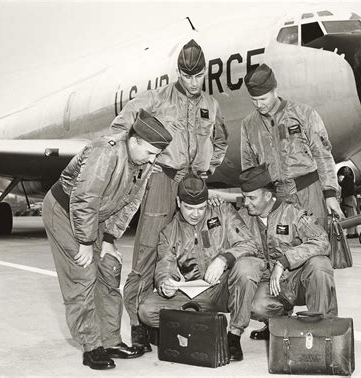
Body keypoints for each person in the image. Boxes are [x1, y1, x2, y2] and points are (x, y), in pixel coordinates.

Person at [110, 39, 228, 352]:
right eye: (187, 76)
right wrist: (132, 163)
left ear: (204, 72)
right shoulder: (157, 99)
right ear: (178, 72)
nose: (193, 82)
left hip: (193, 186)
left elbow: (220, 142)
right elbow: (122, 125)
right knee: (148, 249)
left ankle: (169, 315)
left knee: (190, 252)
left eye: (198, 75)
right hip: (163, 179)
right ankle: (138, 324)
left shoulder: (212, 106)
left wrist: (206, 170)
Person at [42, 110, 172, 370]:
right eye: (149, 152)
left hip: (98, 216)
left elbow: (131, 202)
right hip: (65, 210)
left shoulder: (144, 161)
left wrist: (110, 238)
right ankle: (91, 347)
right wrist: (86, 243)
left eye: (156, 155)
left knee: (110, 269)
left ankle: (111, 340)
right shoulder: (106, 152)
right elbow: (84, 199)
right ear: (134, 141)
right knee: (82, 275)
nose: (152, 160)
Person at [138, 173, 263, 361]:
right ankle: (203, 324)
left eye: (201, 208)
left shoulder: (223, 212)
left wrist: (223, 259)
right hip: (198, 293)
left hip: (228, 287)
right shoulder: (169, 232)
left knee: (248, 267)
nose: (196, 214)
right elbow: (164, 266)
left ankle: (234, 336)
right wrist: (166, 284)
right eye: (189, 208)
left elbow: (250, 244)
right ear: (179, 202)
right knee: (147, 310)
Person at [238, 164, 338, 340]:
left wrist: (284, 261)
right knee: (253, 306)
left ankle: (324, 329)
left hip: (299, 282)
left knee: (319, 265)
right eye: (244, 197)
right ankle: (278, 323)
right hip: (272, 286)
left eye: (252, 198)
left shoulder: (293, 213)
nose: (246, 203)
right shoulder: (242, 218)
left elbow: (322, 241)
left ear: (268, 196)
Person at [241, 63, 343, 230]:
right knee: (283, 250)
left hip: (309, 193)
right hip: (277, 199)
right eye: (254, 100)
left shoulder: (304, 114)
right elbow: (249, 167)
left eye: (263, 99)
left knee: (318, 245)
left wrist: (330, 194)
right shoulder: (249, 125)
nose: (259, 105)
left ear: (275, 90)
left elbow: (323, 155)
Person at [339, 167, 358, 238]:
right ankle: (355, 232)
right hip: (352, 198)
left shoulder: (347, 180)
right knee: (354, 215)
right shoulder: (350, 179)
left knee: (351, 216)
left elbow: (347, 190)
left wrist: (343, 198)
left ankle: (351, 233)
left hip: (349, 198)